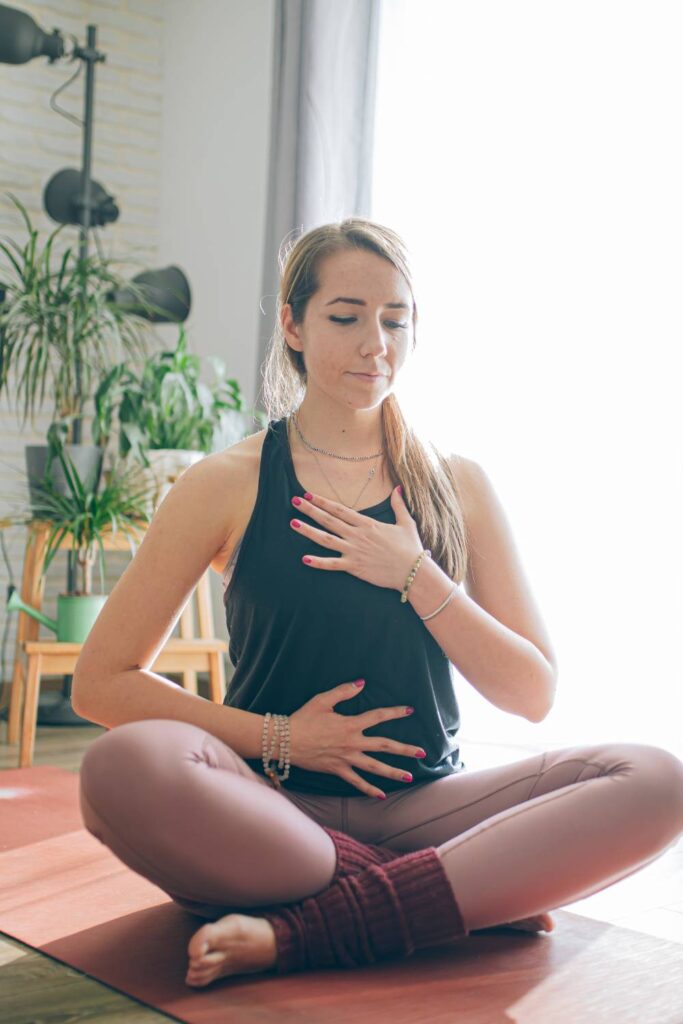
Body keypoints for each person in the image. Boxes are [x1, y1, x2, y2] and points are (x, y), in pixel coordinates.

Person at [74, 218, 683, 987]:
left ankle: (306, 931)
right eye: (346, 316)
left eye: (397, 321)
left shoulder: (458, 485)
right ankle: (448, 891)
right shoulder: (226, 482)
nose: (376, 344)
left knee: (655, 778)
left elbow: (530, 693)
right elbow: (102, 681)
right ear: (292, 325)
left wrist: (416, 574)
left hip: (424, 802)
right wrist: (283, 738)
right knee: (120, 766)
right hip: (269, 808)